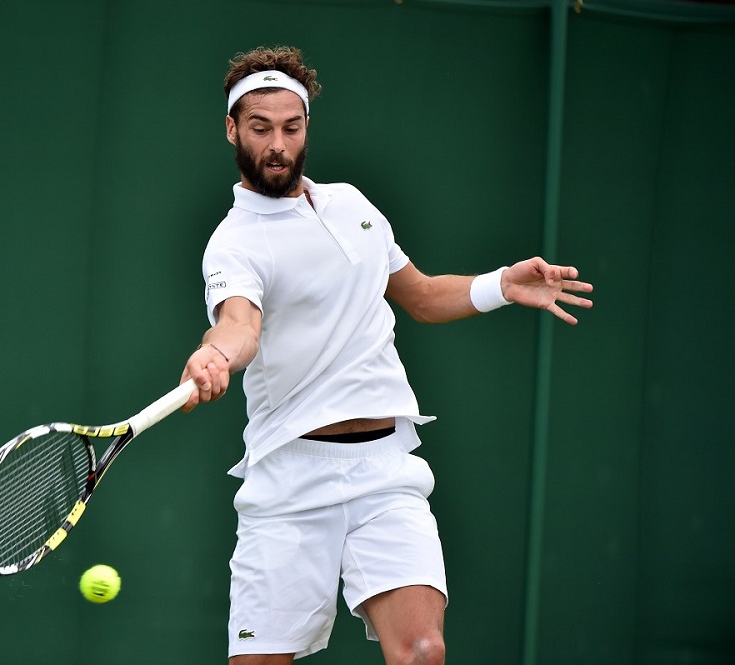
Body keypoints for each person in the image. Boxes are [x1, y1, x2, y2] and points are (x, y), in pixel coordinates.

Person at [179, 46, 593, 665]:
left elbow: (422, 296)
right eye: (261, 128)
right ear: (233, 129)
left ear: (306, 128)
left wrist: (500, 284)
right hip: (289, 483)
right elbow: (240, 326)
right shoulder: (233, 243)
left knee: (422, 652)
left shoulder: (352, 205)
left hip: (384, 474)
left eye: (291, 128)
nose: (277, 145)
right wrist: (213, 354)